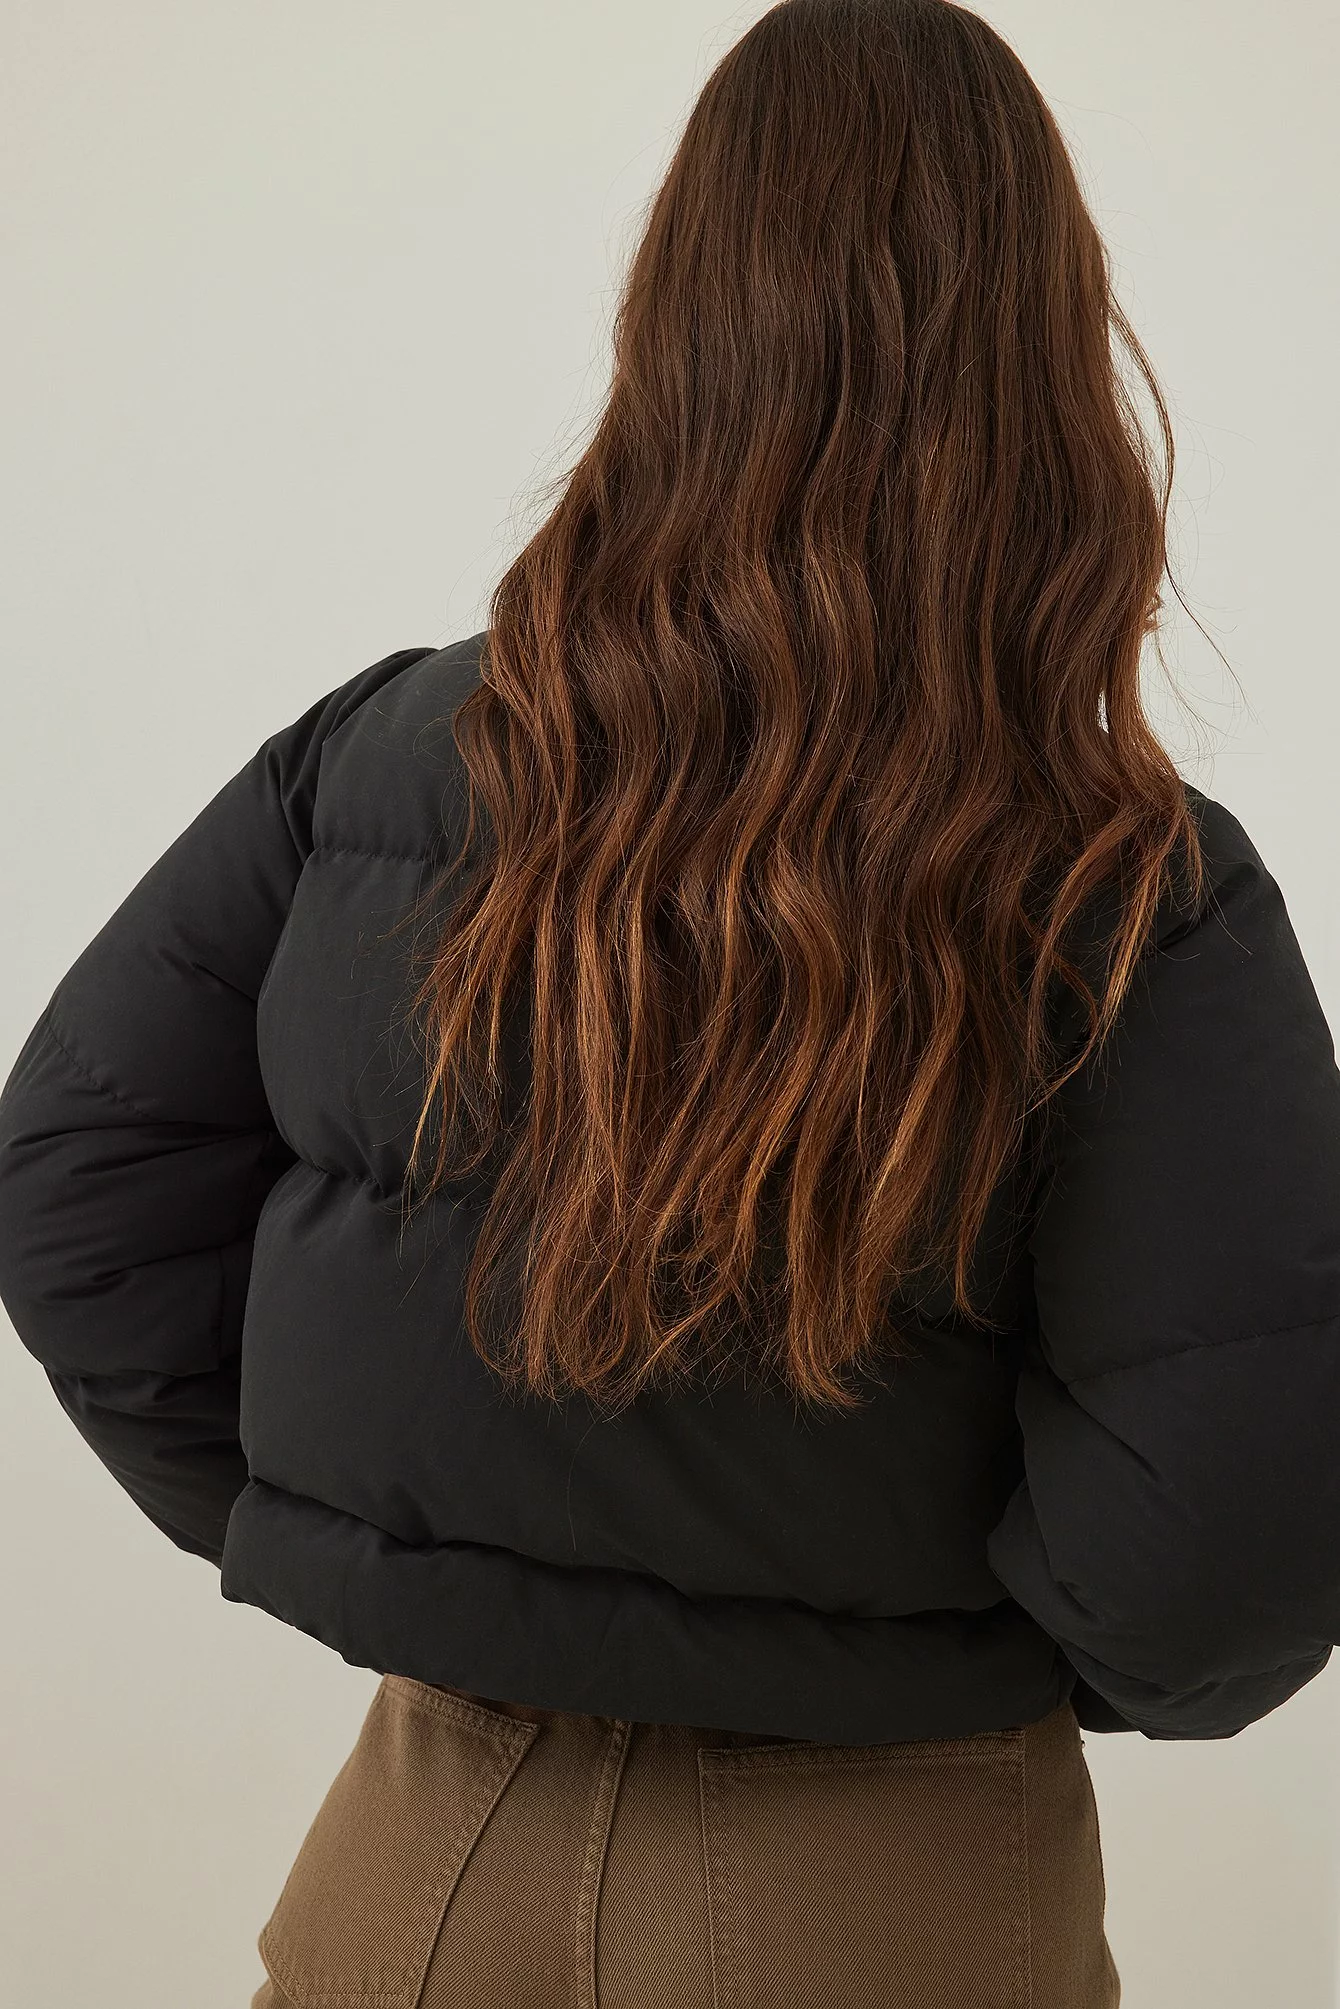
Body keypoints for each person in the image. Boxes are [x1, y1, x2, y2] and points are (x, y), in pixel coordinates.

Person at [2, 1, 1338, 2003]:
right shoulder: (1125, 883)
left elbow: (73, 1188)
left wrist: (363, 1532)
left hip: (419, 1853)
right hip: (889, 1885)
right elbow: (1225, 1541)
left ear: (676, 318)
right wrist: (967, 1637)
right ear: (1047, 366)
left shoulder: (375, 756)